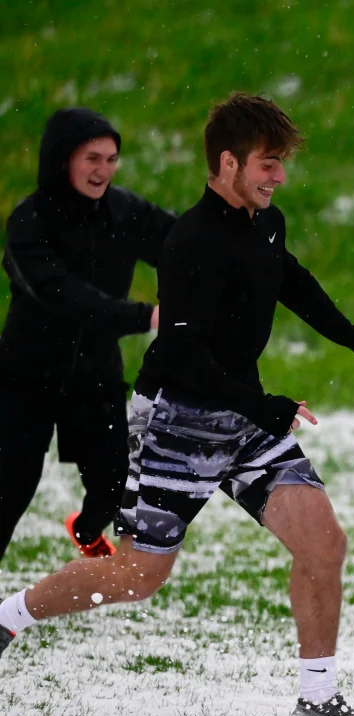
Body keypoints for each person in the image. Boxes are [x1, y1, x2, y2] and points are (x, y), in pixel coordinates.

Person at [0, 93, 354, 716]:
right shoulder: (191, 242)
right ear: (227, 162)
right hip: (177, 420)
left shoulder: (267, 223)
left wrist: (353, 335)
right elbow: (183, 356)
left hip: (242, 417)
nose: (279, 177)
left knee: (323, 544)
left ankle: (318, 701)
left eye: (280, 164)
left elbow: (288, 278)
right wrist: (263, 404)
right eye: (268, 164)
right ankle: (9, 616)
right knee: (137, 576)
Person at [0, 108, 173, 561]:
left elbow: (181, 244)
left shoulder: (125, 211)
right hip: (26, 377)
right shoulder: (28, 222)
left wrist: (233, 253)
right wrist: (145, 316)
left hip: (94, 374)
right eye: (92, 158)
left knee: (115, 481)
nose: (104, 171)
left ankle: (86, 529)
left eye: (112, 159)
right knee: (10, 490)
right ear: (63, 159)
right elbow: (65, 296)